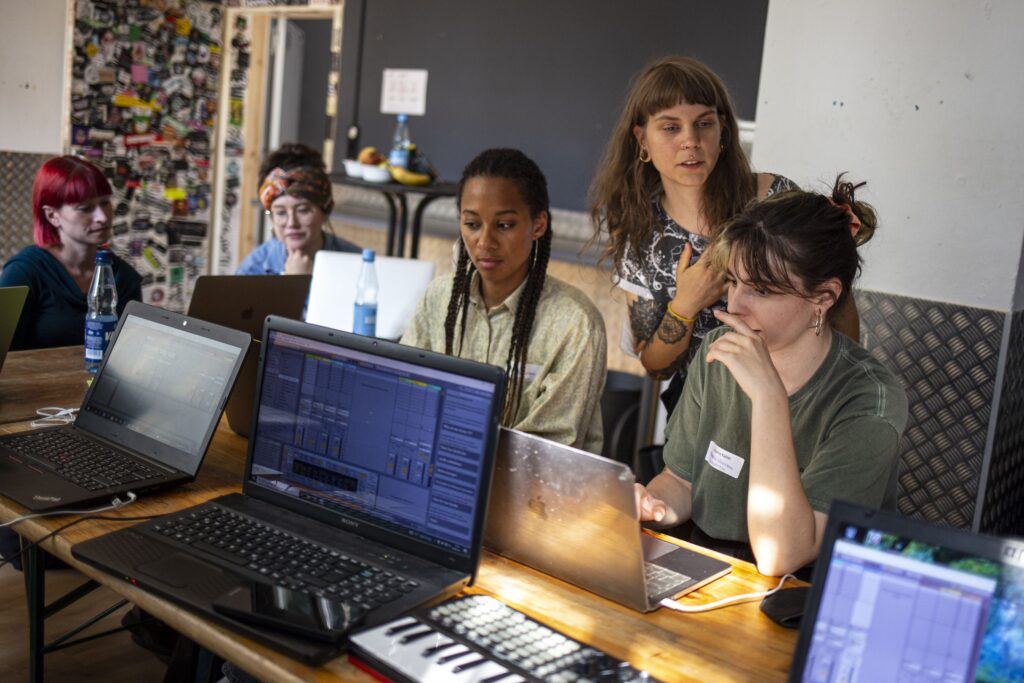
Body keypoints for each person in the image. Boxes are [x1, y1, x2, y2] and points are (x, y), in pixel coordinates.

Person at [635, 177, 908, 577]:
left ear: (823, 298)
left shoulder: (870, 399)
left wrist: (768, 398)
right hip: (716, 570)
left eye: (762, 290)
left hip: (808, 591)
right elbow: (681, 480)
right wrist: (649, 504)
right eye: (733, 282)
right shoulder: (718, 349)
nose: (734, 306)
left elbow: (783, 554)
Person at [590, 56, 858, 414]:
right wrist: (685, 305)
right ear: (642, 140)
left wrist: (833, 401)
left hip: (794, 401)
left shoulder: (774, 197)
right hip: (701, 413)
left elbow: (838, 308)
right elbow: (656, 368)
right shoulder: (638, 231)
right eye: (670, 128)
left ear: (723, 131)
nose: (691, 141)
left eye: (704, 123)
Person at [402, 148, 607, 453]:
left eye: (505, 225)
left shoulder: (575, 323)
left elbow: (548, 451)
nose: (485, 242)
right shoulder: (440, 297)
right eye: (472, 224)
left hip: (533, 481)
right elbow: (407, 393)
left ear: (538, 225)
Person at [0, 155, 142, 351]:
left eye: (105, 203)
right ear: (52, 215)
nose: (102, 217)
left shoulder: (123, 277)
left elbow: (132, 354)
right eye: (86, 208)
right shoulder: (24, 273)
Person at [236, 143, 359, 275]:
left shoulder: (358, 264)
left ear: (326, 210)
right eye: (281, 213)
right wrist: (294, 281)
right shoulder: (252, 270)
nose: (292, 223)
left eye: (303, 210)